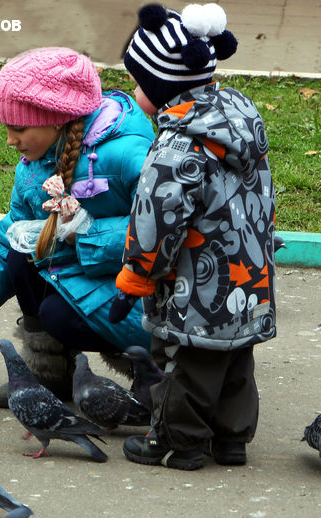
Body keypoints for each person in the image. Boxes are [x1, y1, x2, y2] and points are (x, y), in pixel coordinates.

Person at [0, 47, 156, 406]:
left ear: (56, 118)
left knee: (56, 314)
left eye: (18, 128)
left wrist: (83, 232)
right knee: (21, 253)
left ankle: (153, 371)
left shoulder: (128, 155)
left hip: (142, 290)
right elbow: (7, 240)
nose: (9, 140)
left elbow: (162, 230)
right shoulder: (32, 166)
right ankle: (50, 376)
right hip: (84, 274)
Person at [109, 3, 277, 469]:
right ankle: (232, 439)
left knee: (188, 361)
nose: (135, 92)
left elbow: (155, 220)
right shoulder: (241, 119)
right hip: (248, 270)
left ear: (162, 86)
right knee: (236, 356)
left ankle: (178, 444)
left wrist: (138, 276)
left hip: (197, 280)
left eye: (139, 83)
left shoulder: (176, 145)